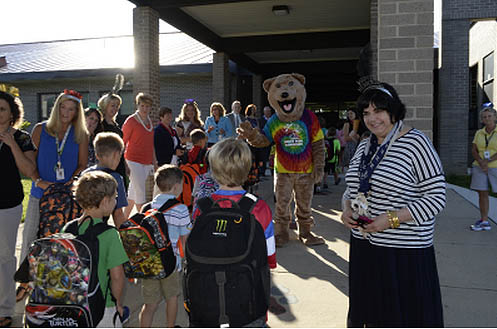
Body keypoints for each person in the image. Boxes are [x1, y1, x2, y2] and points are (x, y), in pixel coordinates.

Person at [340, 82, 446, 327]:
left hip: (403, 252)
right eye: (366, 113)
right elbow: (352, 188)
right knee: (372, 315)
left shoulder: (416, 143)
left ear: (394, 111)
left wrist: (391, 219)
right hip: (365, 246)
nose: (372, 118)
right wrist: (346, 208)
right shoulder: (366, 145)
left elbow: (436, 197)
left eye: (378, 111)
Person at [191, 138, 276, 327]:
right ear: (247, 170)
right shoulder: (259, 207)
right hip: (247, 301)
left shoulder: (202, 206)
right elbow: (269, 254)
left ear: (213, 170)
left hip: (207, 299)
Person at [19, 89, 89, 289]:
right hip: (39, 193)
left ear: (77, 112)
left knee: (62, 239)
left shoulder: (81, 134)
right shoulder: (40, 129)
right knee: (30, 236)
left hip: (65, 197)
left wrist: (73, 180)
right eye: (62, 107)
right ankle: (25, 282)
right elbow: (28, 161)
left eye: (71, 109)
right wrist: (37, 180)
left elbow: (82, 164)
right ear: (56, 107)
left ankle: (57, 281)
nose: (66, 113)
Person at [65, 171, 129, 327]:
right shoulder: (109, 235)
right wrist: (118, 303)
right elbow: (117, 276)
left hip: (73, 304)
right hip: (102, 305)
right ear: (105, 201)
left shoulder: (69, 228)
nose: (116, 201)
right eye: (115, 197)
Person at [0, 87, 36, 328]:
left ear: (12, 112)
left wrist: (11, 143)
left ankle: (4, 310)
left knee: (4, 258)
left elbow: (30, 171)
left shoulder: (22, 138)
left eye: (2, 109)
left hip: (8, 206)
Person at [139, 165, 190, 328]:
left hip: (149, 264)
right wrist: (184, 259)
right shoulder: (181, 209)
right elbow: (185, 239)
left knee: (149, 304)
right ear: (176, 186)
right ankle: (170, 326)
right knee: (172, 298)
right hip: (170, 263)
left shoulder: (146, 208)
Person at [82, 132, 127, 228]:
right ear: (116, 154)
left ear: (97, 155)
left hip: (80, 224)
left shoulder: (86, 174)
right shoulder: (115, 178)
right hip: (99, 229)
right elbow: (118, 214)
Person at [122, 92, 156, 218]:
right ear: (138, 105)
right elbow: (123, 141)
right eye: (142, 106)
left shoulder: (149, 121)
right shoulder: (131, 121)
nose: (145, 109)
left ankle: (123, 219)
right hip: (133, 160)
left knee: (133, 193)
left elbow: (150, 144)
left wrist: (155, 162)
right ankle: (144, 220)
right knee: (140, 191)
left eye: (147, 106)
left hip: (146, 161)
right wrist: (123, 162)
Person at [470, 102, 497, 231]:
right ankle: (484, 220)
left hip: (495, 166)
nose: (487, 119)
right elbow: (474, 150)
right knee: (483, 194)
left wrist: (488, 160)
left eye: (489, 116)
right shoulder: (479, 133)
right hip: (479, 167)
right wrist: (481, 161)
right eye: (484, 117)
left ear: (495, 117)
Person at [98, 92, 127, 181]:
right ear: (105, 106)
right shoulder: (100, 125)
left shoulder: (116, 126)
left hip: (119, 163)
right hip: (107, 163)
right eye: (112, 105)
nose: (115, 108)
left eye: (117, 106)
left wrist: (126, 165)